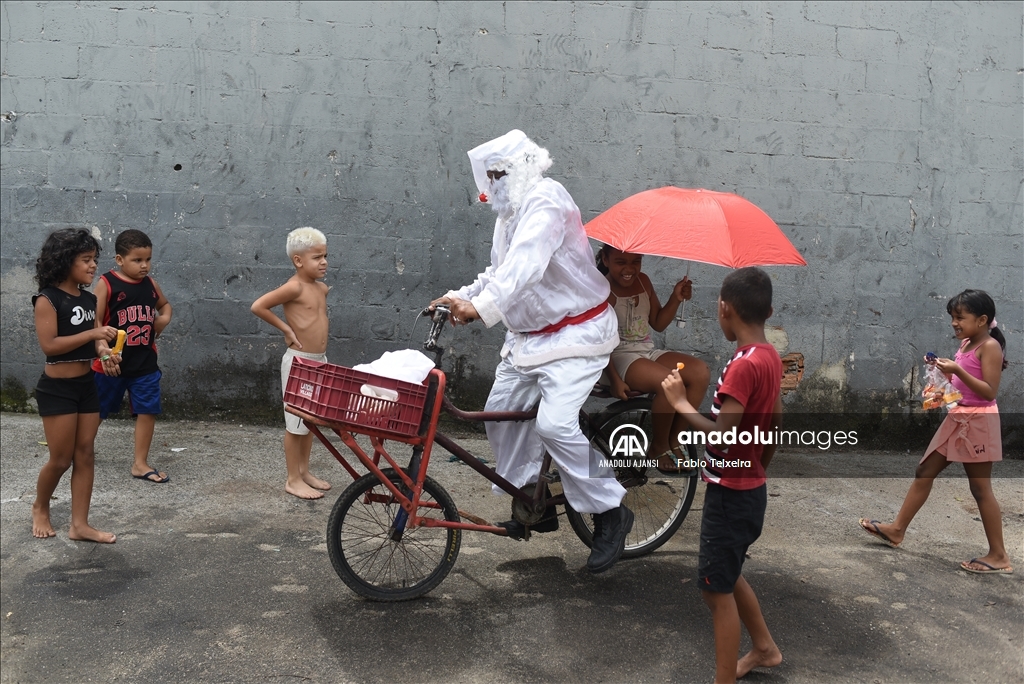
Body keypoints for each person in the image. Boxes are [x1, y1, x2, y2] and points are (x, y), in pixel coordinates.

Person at [431, 129, 633, 574]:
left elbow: (525, 266)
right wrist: (457, 296)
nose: (494, 185)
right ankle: (532, 502)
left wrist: (480, 308)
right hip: (532, 339)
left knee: (555, 426)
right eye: (490, 177)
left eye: (500, 173)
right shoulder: (509, 213)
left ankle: (611, 510)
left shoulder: (547, 201)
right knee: (499, 414)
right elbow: (498, 271)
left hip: (576, 337)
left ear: (524, 165)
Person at [662, 267, 783, 683]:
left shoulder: (744, 366)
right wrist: (755, 471)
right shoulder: (769, 358)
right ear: (768, 310)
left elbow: (724, 433)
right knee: (728, 573)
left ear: (724, 309)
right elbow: (775, 424)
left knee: (715, 590)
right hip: (748, 488)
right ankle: (764, 648)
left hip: (731, 494)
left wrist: (679, 403)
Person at [859, 289, 1011, 574]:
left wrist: (959, 371)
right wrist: (943, 375)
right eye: (952, 317)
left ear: (981, 320)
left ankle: (999, 555)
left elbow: (989, 390)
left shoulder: (989, 346)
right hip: (958, 416)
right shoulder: (967, 343)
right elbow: (963, 382)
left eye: (960, 317)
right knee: (924, 470)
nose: (954, 323)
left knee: (980, 488)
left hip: (979, 421)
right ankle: (897, 530)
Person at [30, 228, 118, 543]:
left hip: (86, 385)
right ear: (66, 261)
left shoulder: (89, 298)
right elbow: (50, 345)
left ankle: (79, 525)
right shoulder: (47, 299)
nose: (93, 266)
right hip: (57, 390)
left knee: (85, 454)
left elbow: (95, 341)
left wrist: (105, 352)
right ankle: (40, 506)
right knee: (61, 458)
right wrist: (95, 336)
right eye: (86, 260)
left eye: (94, 259)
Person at [597, 245, 710, 472]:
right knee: (671, 383)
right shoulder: (600, 290)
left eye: (636, 261)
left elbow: (658, 323)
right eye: (621, 262)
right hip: (615, 357)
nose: (629, 269)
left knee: (700, 372)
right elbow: (597, 343)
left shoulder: (644, 282)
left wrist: (676, 297)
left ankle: (675, 439)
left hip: (646, 351)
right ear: (605, 260)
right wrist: (615, 380)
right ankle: (658, 447)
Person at [251, 227, 332, 500]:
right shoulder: (294, 287)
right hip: (300, 363)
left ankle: (305, 471)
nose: (324, 262)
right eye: (317, 257)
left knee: (310, 421)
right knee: (295, 422)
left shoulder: (320, 288)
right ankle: (292, 478)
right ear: (298, 261)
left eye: (325, 256)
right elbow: (259, 306)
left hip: (319, 361)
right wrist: (286, 330)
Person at [92, 229, 173, 483]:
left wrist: (163, 320)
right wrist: (102, 350)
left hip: (145, 364)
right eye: (137, 260)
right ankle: (81, 451)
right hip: (111, 365)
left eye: (148, 260)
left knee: (148, 411)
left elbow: (165, 306)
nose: (144, 266)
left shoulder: (151, 285)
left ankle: (140, 463)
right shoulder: (106, 284)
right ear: (119, 260)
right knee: (97, 410)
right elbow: (93, 320)